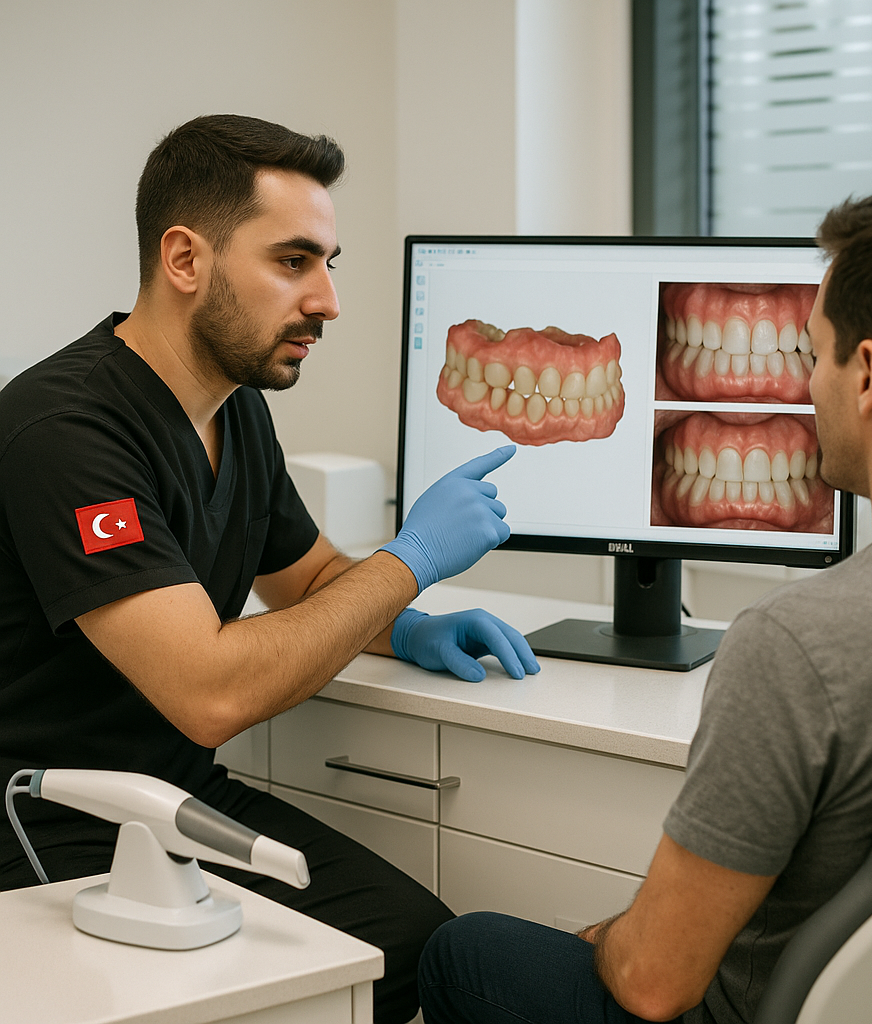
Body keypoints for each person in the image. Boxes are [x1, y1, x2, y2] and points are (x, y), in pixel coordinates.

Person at [417, 190, 872, 1024]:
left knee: (464, 949)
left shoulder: (799, 642)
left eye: (815, 355)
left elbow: (654, 984)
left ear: (870, 375)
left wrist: (618, 935)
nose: (808, 384)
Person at [0, 114, 539, 1024]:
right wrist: (410, 560)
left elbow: (312, 577)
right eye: (294, 263)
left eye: (329, 264)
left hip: (169, 803)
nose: (327, 301)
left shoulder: (234, 411)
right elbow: (208, 691)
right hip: (40, 819)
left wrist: (404, 624)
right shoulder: (69, 432)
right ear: (185, 260)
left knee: (415, 946)